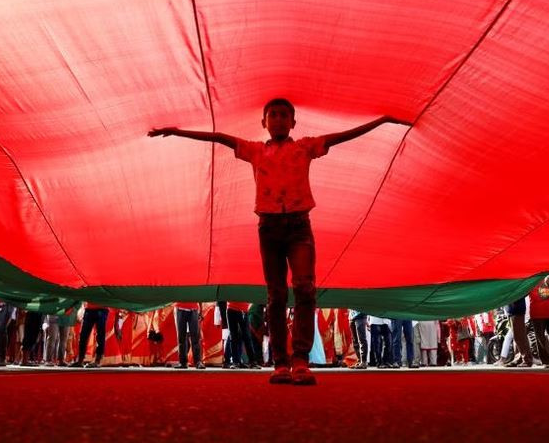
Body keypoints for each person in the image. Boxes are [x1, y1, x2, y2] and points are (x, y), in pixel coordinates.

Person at [150, 99, 408, 385]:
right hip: (269, 228)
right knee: (276, 296)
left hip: (299, 227)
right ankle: (280, 363)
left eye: (285, 115)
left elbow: (342, 136)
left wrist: (381, 121)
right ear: (264, 122)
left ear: (293, 123)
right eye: (273, 115)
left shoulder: (305, 147)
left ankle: (300, 360)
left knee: (305, 290)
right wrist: (178, 132)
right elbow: (218, 137)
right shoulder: (255, 150)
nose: (279, 119)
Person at [175, 301, 205, 369]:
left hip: (193, 309)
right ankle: (182, 362)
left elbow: (200, 295)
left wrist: (201, 311)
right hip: (180, 308)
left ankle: (198, 362)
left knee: (195, 337)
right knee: (181, 336)